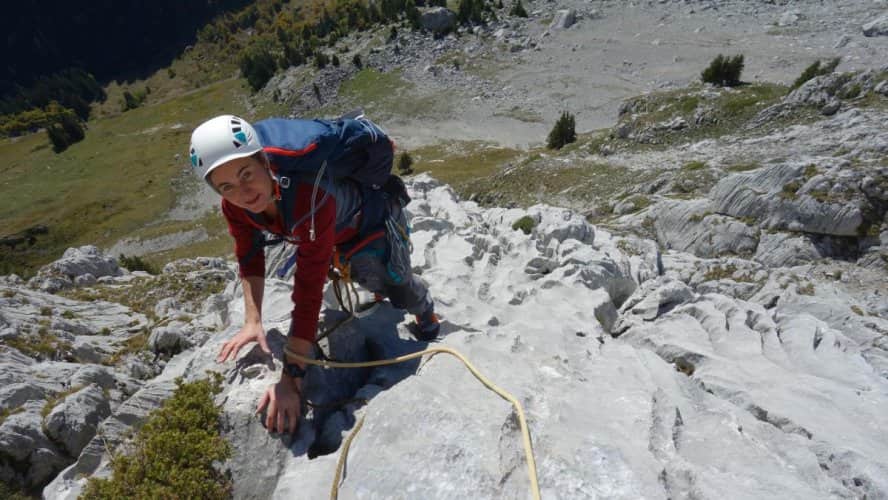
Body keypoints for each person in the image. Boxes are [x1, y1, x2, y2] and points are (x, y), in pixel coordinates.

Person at [189, 114, 439, 435]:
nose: (244, 192)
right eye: (227, 186)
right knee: (364, 280)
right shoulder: (235, 207)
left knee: (396, 284)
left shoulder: (308, 196)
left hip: (372, 224)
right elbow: (249, 255)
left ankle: (426, 311)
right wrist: (253, 321)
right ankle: (380, 293)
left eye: (246, 174)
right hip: (332, 232)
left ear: (264, 160)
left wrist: (291, 378)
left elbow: (308, 288)